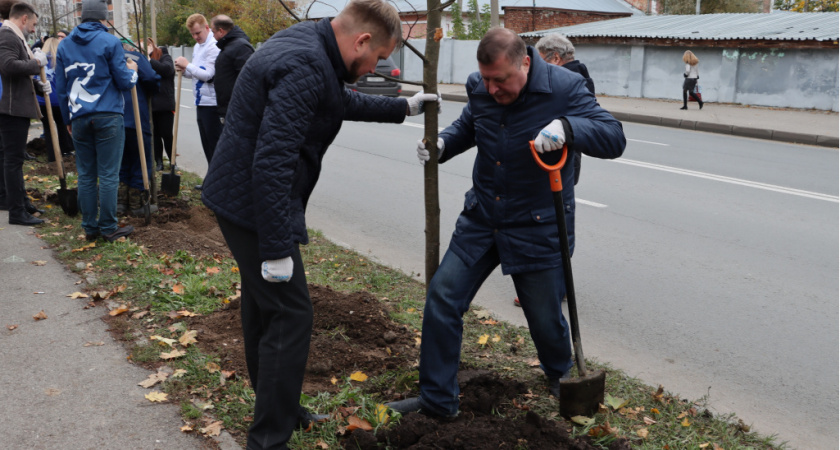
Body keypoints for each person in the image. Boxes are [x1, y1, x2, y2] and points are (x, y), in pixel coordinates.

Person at [200, 0, 439, 447]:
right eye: (377, 59)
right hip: (253, 204)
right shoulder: (307, 63)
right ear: (361, 40)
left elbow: (335, 99)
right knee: (291, 315)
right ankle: (269, 438)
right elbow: (273, 163)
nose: (374, 68)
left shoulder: (312, 44)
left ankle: (281, 409)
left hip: (239, 197)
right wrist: (275, 247)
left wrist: (401, 109)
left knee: (264, 309)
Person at [386, 28, 625, 418]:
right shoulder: (481, 86)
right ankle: (437, 400)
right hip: (483, 217)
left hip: (537, 223)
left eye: (502, 80)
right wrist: (443, 143)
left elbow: (614, 137)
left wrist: (568, 127)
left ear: (526, 62)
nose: (493, 89)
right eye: (487, 80)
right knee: (443, 297)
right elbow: (471, 124)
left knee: (545, 319)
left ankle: (560, 374)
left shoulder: (566, 87)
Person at [55, 0, 138, 242]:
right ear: (103, 19)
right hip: (108, 114)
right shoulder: (110, 41)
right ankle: (109, 227)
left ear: (82, 18)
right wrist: (132, 71)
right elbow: (123, 81)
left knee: (86, 174)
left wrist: (67, 119)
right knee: (109, 174)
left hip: (79, 116)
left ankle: (90, 227)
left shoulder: (64, 45)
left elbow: (61, 89)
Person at [0, 2, 50, 225]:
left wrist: (39, 87)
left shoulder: (14, 36)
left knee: (14, 159)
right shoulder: (8, 35)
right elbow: (9, 66)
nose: (34, 29)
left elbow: (16, 74)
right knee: (13, 160)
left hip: (15, 106)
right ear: (23, 19)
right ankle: (17, 212)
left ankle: (21, 202)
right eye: (33, 24)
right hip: (11, 109)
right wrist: (36, 63)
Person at [174, 13, 220, 189]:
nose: (195, 37)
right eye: (193, 34)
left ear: (207, 28)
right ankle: (212, 180)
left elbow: (209, 75)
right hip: (201, 101)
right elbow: (195, 74)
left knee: (215, 145)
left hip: (213, 103)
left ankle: (218, 183)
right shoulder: (197, 47)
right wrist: (183, 70)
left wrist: (188, 65)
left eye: (198, 33)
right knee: (206, 144)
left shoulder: (213, 47)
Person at [117, 39, 159, 215]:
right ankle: (136, 204)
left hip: (114, 116)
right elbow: (150, 78)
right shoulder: (136, 57)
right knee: (140, 159)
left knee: (119, 160)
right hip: (135, 116)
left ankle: (119, 203)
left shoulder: (107, 58)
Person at [35, 37, 75, 162]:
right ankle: (65, 151)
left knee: (48, 127)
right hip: (57, 100)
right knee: (61, 125)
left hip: (41, 100)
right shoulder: (61, 61)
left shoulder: (39, 61)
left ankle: (52, 156)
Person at [210, 14, 253, 122]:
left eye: (213, 32)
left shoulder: (241, 47)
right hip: (229, 109)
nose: (213, 36)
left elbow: (248, 81)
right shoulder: (228, 47)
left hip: (238, 111)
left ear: (221, 31)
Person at [146, 37, 175, 171]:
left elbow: (167, 69)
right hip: (151, 105)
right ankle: (159, 161)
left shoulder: (164, 55)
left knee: (167, 135)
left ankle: (172, 160)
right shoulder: (144, 60)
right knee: (155, 135)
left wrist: (149, 60)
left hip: (165, 104)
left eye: (147, 46)